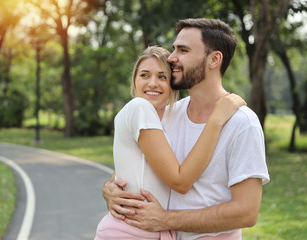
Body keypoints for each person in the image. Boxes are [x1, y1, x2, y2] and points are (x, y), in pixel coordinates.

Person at [102, 18, 270, 239]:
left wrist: (164, 219)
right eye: (174, 49)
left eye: (183, 50)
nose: (171, 58)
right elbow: (144, 162)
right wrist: (110, 188)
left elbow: (246, 213)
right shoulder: (168, 113)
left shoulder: (241, 123)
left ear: (214, 59)